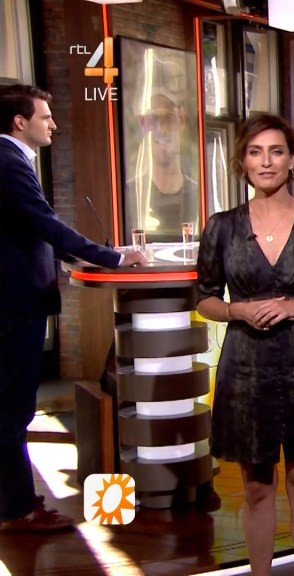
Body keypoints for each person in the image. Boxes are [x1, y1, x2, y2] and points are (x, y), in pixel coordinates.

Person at [196, 113, 294, 576]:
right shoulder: (222, 227)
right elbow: (205, 298)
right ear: (242, 162)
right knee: (257, 488)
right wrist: (237, 311)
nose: (266, 162)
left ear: (293, 161)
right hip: (246, 368)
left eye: (276, 152)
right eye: (255, 152)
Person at [0, 84, 146, 532]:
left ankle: (15, 503)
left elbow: (28, 227)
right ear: (20, 122)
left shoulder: (11, 159)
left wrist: (84, 256)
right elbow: (45, 223)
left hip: (16, 304)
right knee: (12, 410)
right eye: (46, 117)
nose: (54, 124)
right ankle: (17, 511)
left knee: (10, 408)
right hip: (13, 306)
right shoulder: (7, 161)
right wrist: (113, 258)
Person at [125, 90, 200, 242]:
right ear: (143, 125)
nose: (160, 128)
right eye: (153, 120)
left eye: (168, 118)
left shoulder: (199, 195)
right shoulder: (130, 195)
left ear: (181, 120)